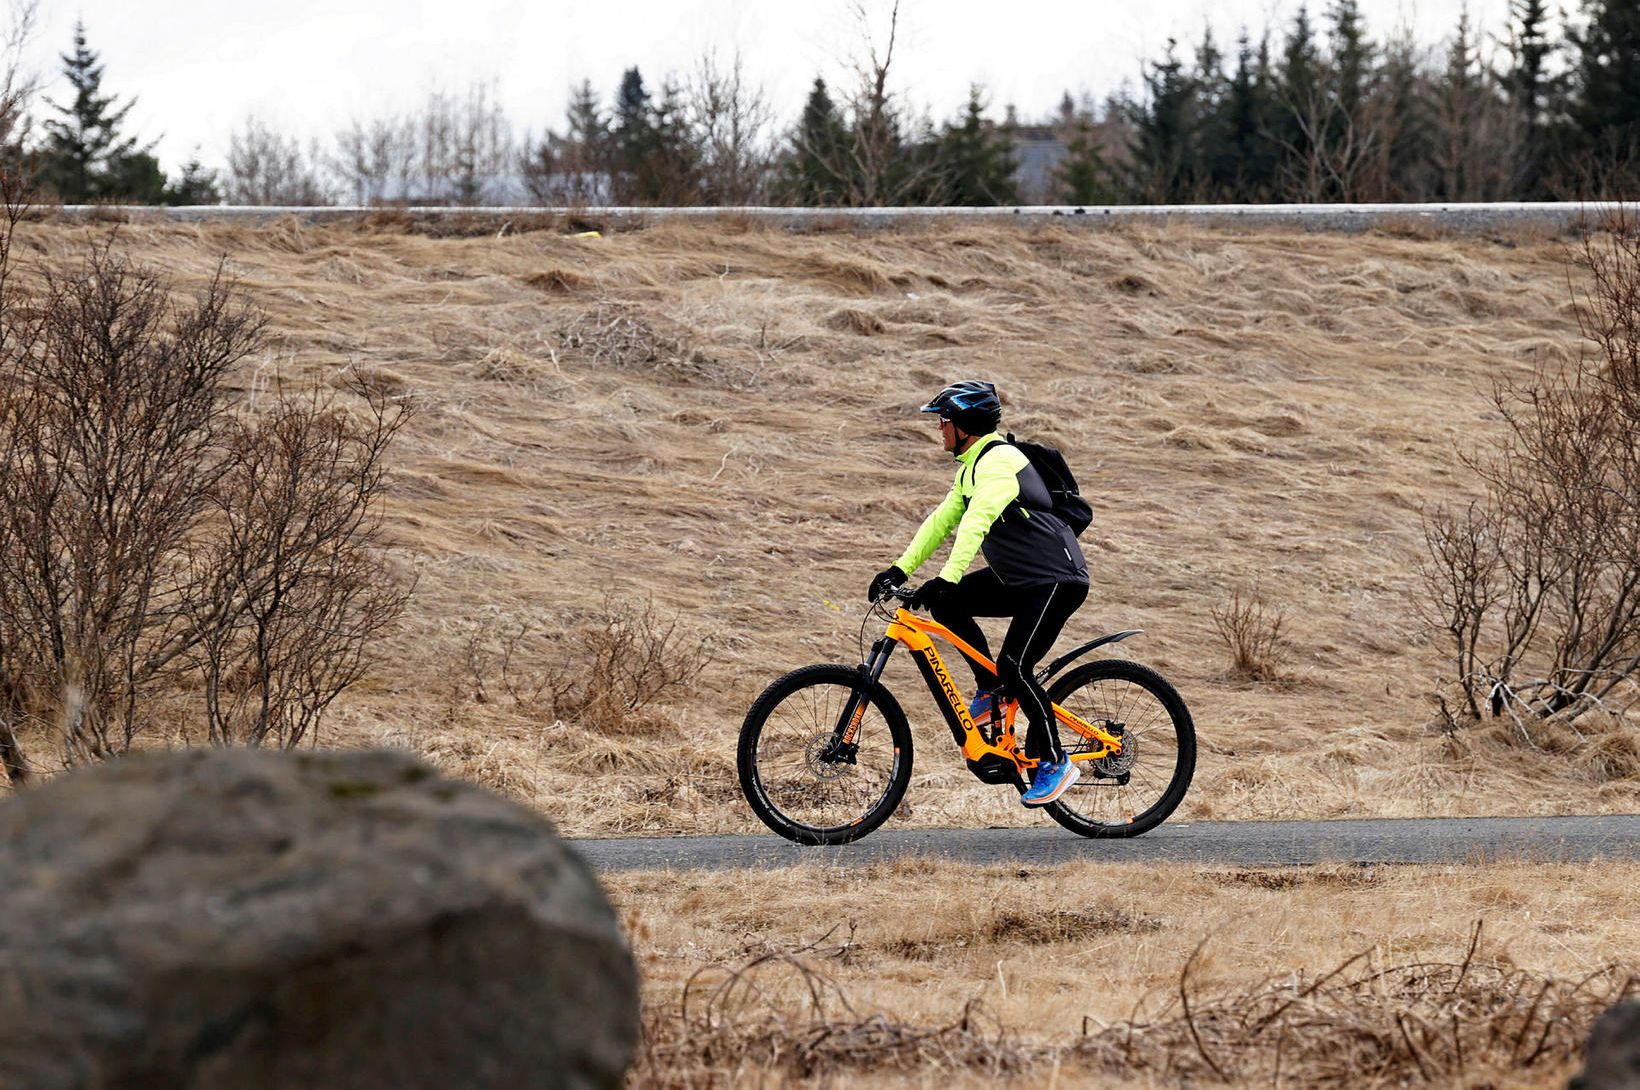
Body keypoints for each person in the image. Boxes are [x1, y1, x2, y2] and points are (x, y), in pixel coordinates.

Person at [868, 380, 1091, 807]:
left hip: (1055, 580)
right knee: (946, 602)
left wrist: (948, 575)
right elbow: (941, 522)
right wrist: (898, 568)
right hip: (1020, 579)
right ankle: (989, 688)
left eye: (944, 421)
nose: (940, 429)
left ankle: (1055, 761)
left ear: (965, 426)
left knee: (1017, 666)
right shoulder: (970, 467)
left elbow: (978, 520)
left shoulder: (1001, 460)